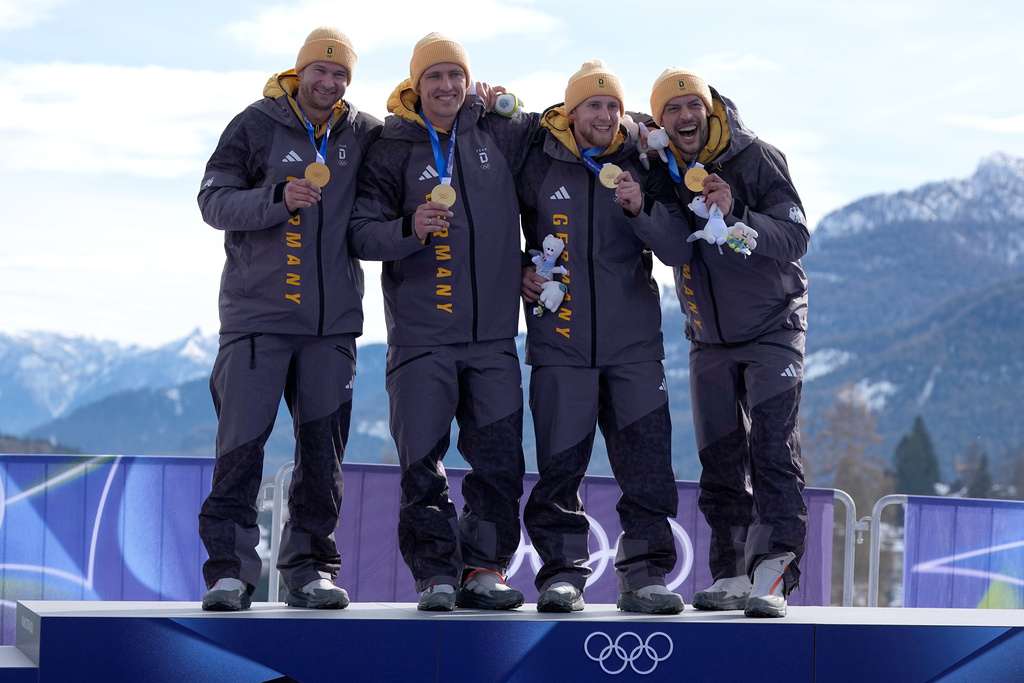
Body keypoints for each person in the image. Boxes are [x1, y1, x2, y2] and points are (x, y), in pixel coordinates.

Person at [196, 27, 382, 611]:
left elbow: (427, 132)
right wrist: (277, 199)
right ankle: (230, 573)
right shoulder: (255, 123)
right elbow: (212, 200)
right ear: (299, 71)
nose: (328, 82)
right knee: (241, 451)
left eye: (340, 75)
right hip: (258, 320)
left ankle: (309, 570)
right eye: (319, 71)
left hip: (331, 327)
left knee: (322, 457)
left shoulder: (366, 133)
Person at [349, 33, 537, 612]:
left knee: (500, 462)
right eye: (435, 76)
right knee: (422, 469)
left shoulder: (498, 131)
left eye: (456, 75)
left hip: (492, 337)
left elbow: (575, 128)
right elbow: (359, 230)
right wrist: (409, 229)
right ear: (415, 84)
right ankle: (434, 574)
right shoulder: (390, 145)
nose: (447, 86)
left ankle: (484, 569)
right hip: (421, 338)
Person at [518, 60, 685, 615]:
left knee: (647, 468)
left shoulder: (642, 160)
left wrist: (641, 210)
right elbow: (497, 227)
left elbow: (679, 248)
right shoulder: (538, 159)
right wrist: (522, 267)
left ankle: (644, 575)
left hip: (634, 345)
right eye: (594, 105)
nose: (606, 115)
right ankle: (562, 575)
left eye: (613, 105)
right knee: (560, 470)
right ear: (572, 111)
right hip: (560, 343)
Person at [646, 67, 809, 618]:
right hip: (707, 337)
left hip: (772, 329)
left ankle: (774, 572)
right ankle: (732, 573)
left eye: (694, 105)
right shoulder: (663, 167)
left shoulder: (755, 156)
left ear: (711, 110)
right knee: (719, 461)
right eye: (673, 109)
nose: (685, 117)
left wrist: (736, 211)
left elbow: (795, 238)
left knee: (771, 450)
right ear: (660, 120)